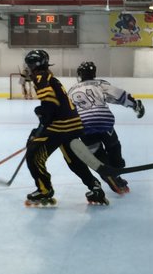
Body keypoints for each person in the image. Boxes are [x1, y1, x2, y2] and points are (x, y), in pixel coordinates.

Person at [21, 49, 108, 207]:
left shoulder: (40, 76)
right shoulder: (48, 75)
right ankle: (94, 186)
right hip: (73, 123)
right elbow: (53, 104)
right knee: (73, 160)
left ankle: (44, 190)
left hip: (62, 126)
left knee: (34, 156)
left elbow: (49, 103)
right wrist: (43, 118)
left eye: (29, 64)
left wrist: (41, 119)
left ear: (35, 64)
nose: (28, 67)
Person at [68, 60, 145, 194]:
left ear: (80, 74)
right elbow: (118, 95)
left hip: (83, 125)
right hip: (104, 120)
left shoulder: (71, 90)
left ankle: (109, 175)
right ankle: (117, 171)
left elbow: (67, 110)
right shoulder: (100, 83)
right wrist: (135, 105)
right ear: (94, 73)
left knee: (97, 154)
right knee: (113, 146)